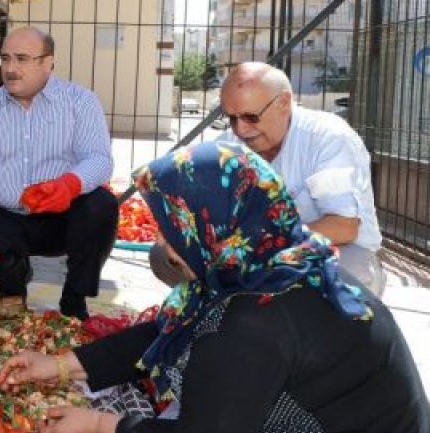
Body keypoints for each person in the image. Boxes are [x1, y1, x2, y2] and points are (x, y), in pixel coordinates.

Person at [1, 141, 430, 433]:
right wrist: (58, 366)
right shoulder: (280, 265)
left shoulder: (253, 320)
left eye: (172, 231)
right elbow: (167, 332)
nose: (167, 247)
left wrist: (99, 425)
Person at [151, 61, 385, 294]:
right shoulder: (230, 143)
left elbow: (344, 227)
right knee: (163, 256)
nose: (241, 130)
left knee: (327, 280)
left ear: (284, 102)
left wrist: (257, 246)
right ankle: (224, 314)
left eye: (251, 117)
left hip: (341, 250)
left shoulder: (327, 137)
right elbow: (190, 199)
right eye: (232, 118)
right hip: (257, 251)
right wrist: (175, 230)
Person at [0, 26, 117, 319]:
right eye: (5, 59)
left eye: (22, 59)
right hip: (7, 216)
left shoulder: (80, 101)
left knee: (101, 206)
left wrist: (68, 185)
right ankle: (13, 282)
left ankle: (74, 298)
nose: (11, 69)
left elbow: (99, 158)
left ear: (47, 62)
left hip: (62, 217)